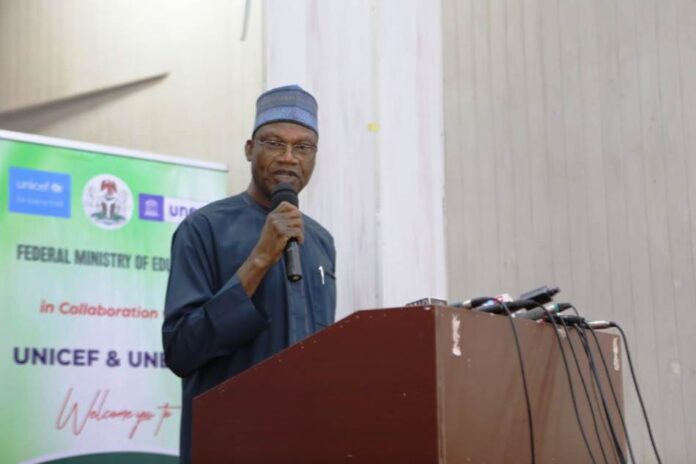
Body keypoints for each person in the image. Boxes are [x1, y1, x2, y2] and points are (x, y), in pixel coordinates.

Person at [162, 85, 336, 463]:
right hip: (231, 442)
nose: (289, 158)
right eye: (274, 143)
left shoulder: (320, 242)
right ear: (248, 149)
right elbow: (181, 350)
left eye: (303, 147)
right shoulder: (203, 229)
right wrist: (260, 258)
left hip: (305, 442)